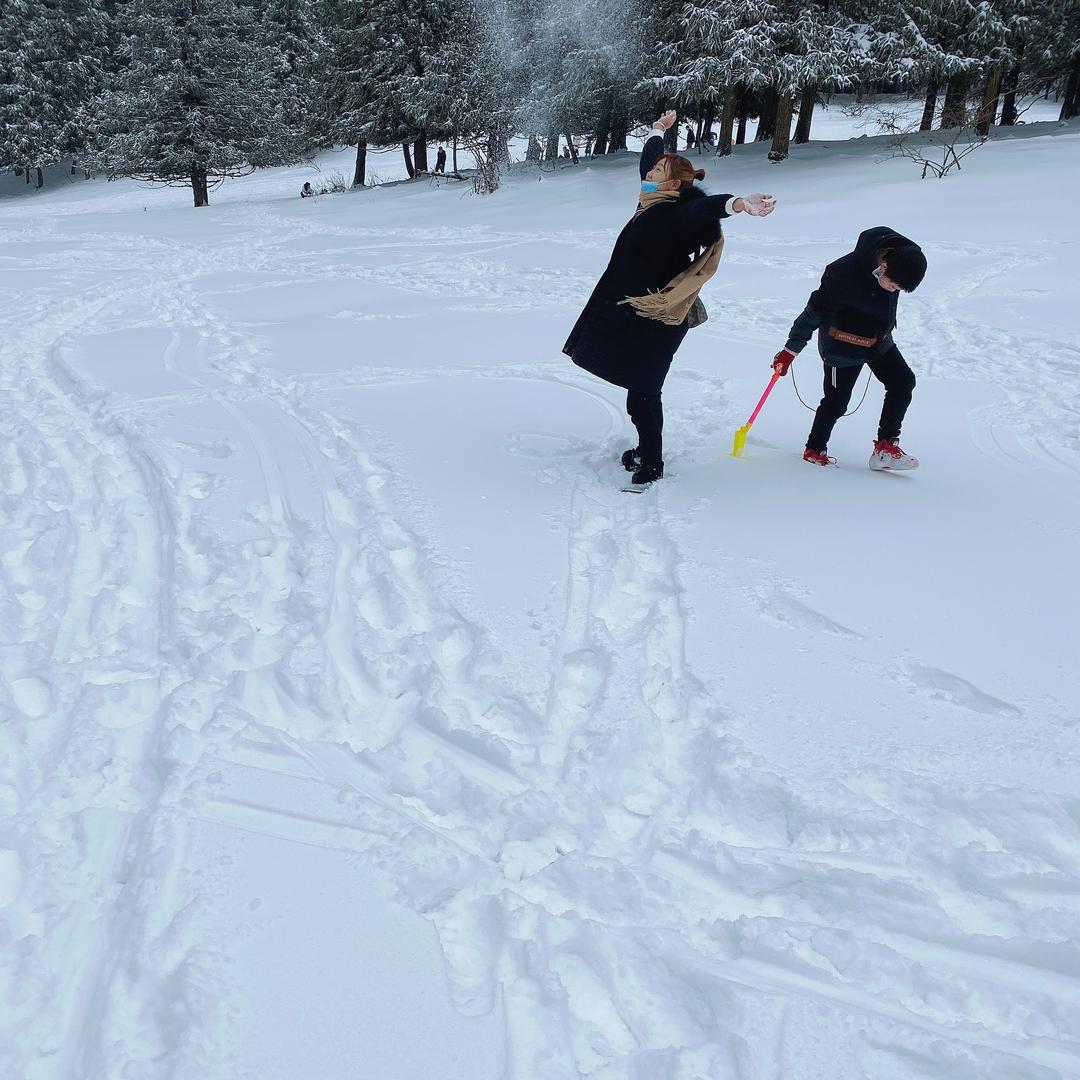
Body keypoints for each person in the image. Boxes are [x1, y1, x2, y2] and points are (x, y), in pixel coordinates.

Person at [563, 110, 776, 487]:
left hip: (662, 317)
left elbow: (704, 207)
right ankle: (646, 449)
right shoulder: (653, 203)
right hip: (641, 312)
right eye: (651, 171)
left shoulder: (677, 214)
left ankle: (652, 461)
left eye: (658, 172)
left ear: (675, 183)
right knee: (637, 388)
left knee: (644, 392)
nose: (648, 175)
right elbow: (649, 162)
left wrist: (737, 203)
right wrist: (658, 131)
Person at [772, 227, 926, 470]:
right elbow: (812, 314)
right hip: (842, 345)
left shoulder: (902, 257)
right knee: (837, 402)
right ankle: (815, 448)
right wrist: (790, 351)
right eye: (894, 285)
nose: (894, 291)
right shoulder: (841, 274)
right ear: (882, 267)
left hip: (879, 341)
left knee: (903, 381)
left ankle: (885, 449)